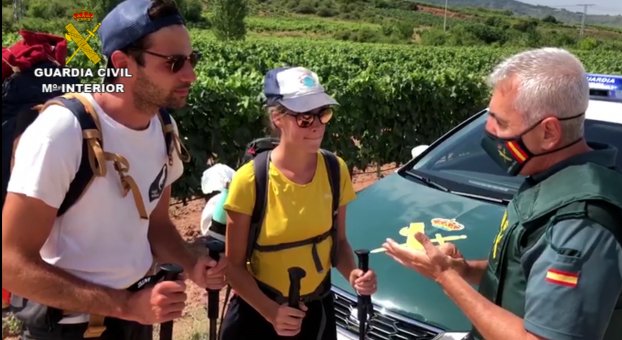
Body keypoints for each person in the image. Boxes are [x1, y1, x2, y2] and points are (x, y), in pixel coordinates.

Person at [383, 47, 622, 340]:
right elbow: (524, 275)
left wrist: (443, 276)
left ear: (549, 132)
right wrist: (462, 269)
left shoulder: (582, 223)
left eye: (501, 122)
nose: (489, 129)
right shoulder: (549, 179)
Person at [1, 0, 228, 339]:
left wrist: (192, 264)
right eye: (174, 63)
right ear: (122, 64)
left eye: (191, 60)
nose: (190, 74)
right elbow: (10, 264)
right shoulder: (62, 132)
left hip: (134, 321)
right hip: (67, 329)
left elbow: (157, 224)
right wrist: (125, 304)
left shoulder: (163, 127)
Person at [220, 66, 378, 339]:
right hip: (259, 314)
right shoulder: (250, 180)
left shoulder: (335, 169)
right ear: (277, 117)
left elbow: (338, 243)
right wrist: (272, 312)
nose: (317, 125)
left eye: (323, 113)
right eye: (305, 117)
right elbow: (233, 267)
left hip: (317, 311)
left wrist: (352, 274)